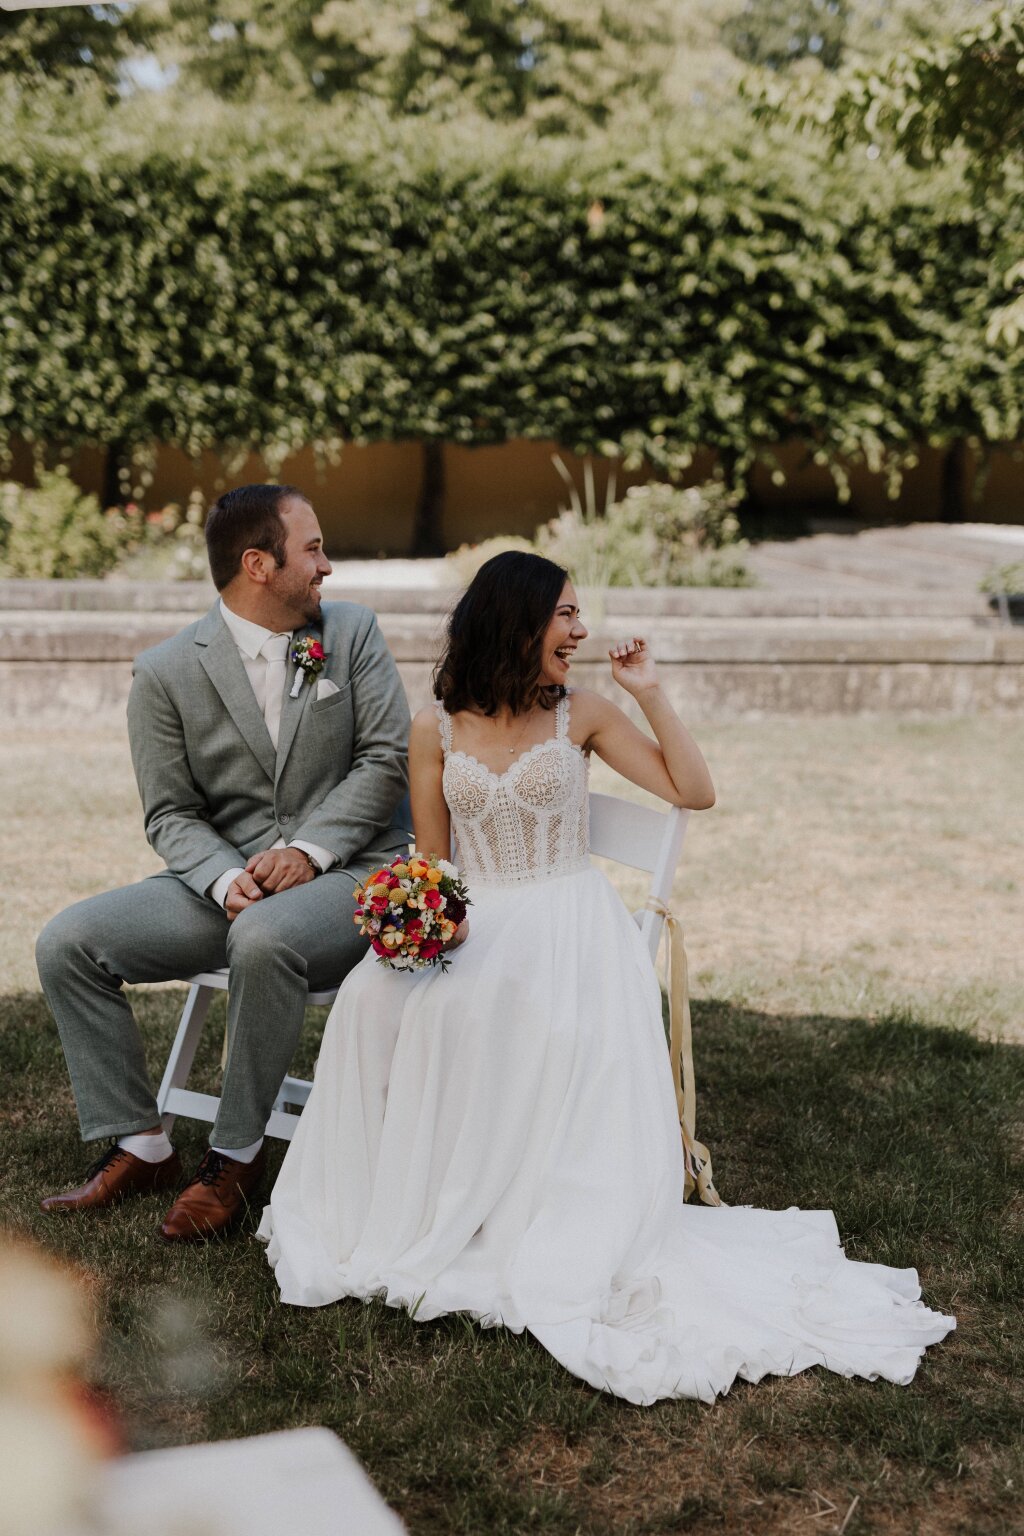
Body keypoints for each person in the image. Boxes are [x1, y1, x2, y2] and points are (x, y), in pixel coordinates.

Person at [259, 551, 954, 1405]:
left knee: (505, 1012)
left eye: (580, 616)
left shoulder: (580, 713)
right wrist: (420, 915)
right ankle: (394, 1206)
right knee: (370, 997)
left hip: (566, 921)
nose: (581, 632)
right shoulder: (434, 726)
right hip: (478, 916)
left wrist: (649, 691)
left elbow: (692, 792)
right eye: (566, 617)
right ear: (516, 622)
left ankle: (516, 1205)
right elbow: (432, 861)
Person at [36, 484, 410, 1241]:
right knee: (67, 943)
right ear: (258, 565)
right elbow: (169, 812)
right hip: (224, 886)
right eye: (312, 550)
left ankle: (236, 1157)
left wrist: (307, 850)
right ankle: (143, 1143)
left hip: (349, 872)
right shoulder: (166, 672)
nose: (327, 567)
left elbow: (386, 757)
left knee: (265, 939)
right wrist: (219, 876)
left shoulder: (353, 634)